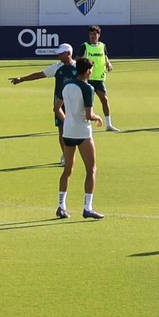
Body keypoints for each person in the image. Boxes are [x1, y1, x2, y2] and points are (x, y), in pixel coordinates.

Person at [8, 43, 78, 161]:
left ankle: (72, 154)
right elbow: (40, 74)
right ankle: (66, 155)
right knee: (62, 130)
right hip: (60, 105)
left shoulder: (79, 67)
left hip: (76, 104)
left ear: (69, 53)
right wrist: (22, 79)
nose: (59, 56)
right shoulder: (57, 67)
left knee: (75, 130)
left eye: (61, 53)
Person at [54, 57, 104, 220]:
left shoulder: (67, 86)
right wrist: (98, 117)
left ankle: (61, 206)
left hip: (68, 132)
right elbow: (89, 114)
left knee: (67, 170)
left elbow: (56, 108)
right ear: (88, 71)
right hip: (83, 133)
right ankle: (87, 207)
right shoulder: (88, 88)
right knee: (91, 169)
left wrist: (67, 120)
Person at [81, 25, 121, 132]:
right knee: (86, 102)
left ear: (99, 35)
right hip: (87, 78)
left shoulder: (102, 46)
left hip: (99, 78)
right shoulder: (84, 46)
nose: (92, 36)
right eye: (91, 34)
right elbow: (79, 59)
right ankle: (84, 124)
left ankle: (109, 124)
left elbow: (105, 56)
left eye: (94, 34)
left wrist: (108, 63)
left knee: (104, 99)